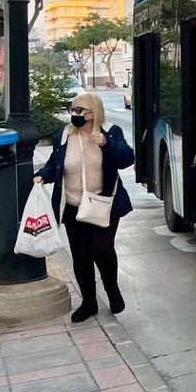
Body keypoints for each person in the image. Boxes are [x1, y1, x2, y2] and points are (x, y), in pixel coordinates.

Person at [34, 91, 135, 322]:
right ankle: (89, 302)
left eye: (81, 110)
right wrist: (42, 175)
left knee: (102, 248)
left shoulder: (110, 132)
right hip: (72, 206)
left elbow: (127, 159)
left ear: (94, 112)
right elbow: (54, 165)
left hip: (104, 204)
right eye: (73, 110)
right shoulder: (64, 135)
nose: (75, 114)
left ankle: (112, 290)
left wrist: (107, 144)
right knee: (80, 256)